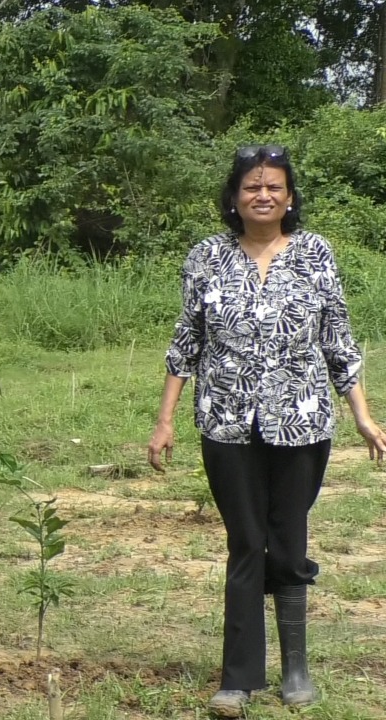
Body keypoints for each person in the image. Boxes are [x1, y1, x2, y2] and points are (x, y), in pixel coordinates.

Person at [147, 144, 386, 718]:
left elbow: (337, 339)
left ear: (289, 197)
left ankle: (296, 668)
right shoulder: (207, 256)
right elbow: (187, 340)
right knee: (245, 541)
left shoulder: (314, 253)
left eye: (274, 186)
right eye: (251, 187)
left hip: (302, 420)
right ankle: (238, 678)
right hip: (225, 421)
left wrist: (362, 413)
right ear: (234, 198)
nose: (263, 195)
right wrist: (165, 419)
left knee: (289, 540)